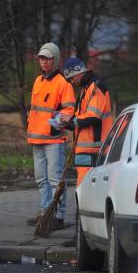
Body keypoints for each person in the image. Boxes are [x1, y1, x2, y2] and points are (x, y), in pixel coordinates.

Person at [26, 43, 76, 230]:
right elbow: (34, 109)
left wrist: (58, 124)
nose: (44, 62)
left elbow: (69, 110)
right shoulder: (38, 80)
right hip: (37, 138)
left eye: (48, 58)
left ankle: (58, 216)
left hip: (53, 139)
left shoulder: (63, 83)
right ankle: (45, 212)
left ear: (55, 60)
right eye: (41, 58)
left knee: (55, 180)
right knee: (41, 179)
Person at [61, 57, 113, 186]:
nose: (71, 82)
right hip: (86, 149)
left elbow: (92, 117)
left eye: (72, 78)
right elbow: (81, 120)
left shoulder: (96, 87)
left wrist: (71, 120)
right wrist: (66, 123)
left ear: (79, 72)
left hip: (96, 149)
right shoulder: (86, 89)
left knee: (88, 187)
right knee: (84, 187)